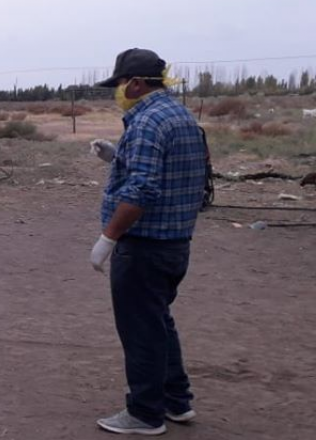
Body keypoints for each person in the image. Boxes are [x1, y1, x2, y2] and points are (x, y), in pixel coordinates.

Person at [89, 48, 207, 436]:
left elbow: (142, 189)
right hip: (175, 243)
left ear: (137, 84)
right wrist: (118, 156)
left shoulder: (146, 121)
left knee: (141, 329)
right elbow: (166, 171)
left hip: (144, 246)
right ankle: (176, 400)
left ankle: (144, 413)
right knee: (157, 322)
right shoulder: (178, 115)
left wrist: (108, 237)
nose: (118, 90)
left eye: (121, 83)